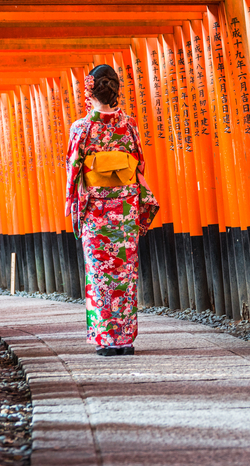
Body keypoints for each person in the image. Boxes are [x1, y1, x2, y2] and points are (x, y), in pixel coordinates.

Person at [65, 64, 159, 356]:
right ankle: (125, 339)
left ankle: (106, 340)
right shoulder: (129, 125)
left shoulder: (82, 128)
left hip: (95, 209)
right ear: (116, 90)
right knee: (124, 272)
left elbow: (73, 171)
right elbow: (139, 164)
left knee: (98, 273)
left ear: (88, 91)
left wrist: (73, 205)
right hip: (126, 207)